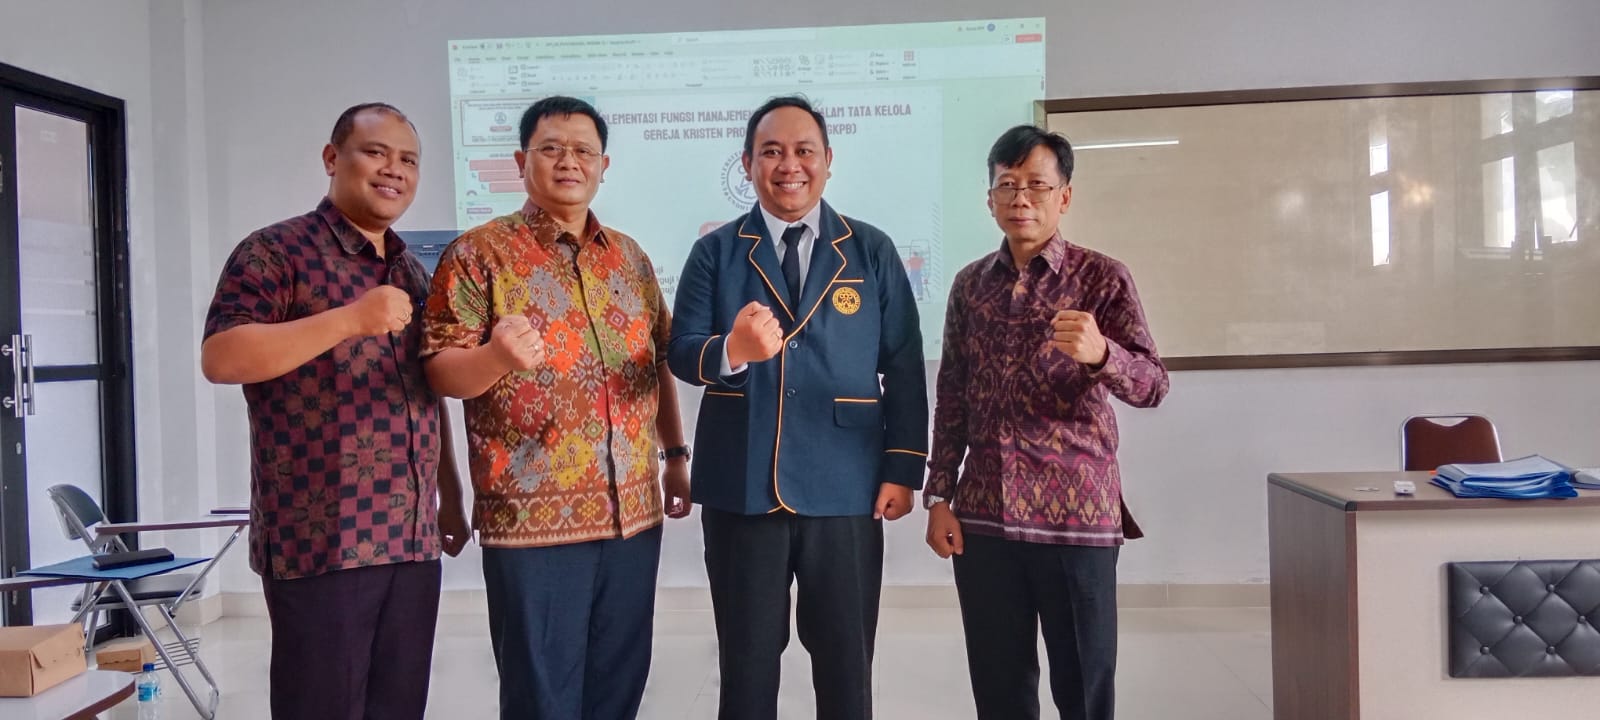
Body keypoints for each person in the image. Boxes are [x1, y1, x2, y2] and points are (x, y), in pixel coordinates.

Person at [421, 96, 690, 720]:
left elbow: (655, 363)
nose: (569, 162)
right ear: (522, 161)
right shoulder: (478, 254)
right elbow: (440, 371)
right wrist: (495, 357)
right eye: (551, 149)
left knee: (619, 687)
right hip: (530, 522)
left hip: (632, 516)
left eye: (583, 151)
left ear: (603, 166)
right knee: (541, 697)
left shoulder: (630, 258)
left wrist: (676, 456)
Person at [201, 102, 469, 720]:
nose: (394, 170)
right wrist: (349, 319)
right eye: (376, 153)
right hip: (323, 541)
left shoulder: (410, 270)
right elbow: (222, 356)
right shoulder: (276, 251)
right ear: (332, 158)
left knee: (399, 707)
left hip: (410, 537)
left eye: (409, 160)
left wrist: (450, 495)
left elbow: (425, 391)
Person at [667, 95, 928, 720]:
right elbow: (681, 351)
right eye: (771, 151)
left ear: (828, 160)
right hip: (741, 486)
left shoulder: (870, 249)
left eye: (804, 150)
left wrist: (902, 467)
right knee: (746, 666)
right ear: (747, 163)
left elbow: (904, 364)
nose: (789, 165)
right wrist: (731, 350)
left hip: (846, 487)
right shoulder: (715, 251)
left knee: (846, 665)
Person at [923, 125, 1170, 720]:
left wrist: (1103, 355)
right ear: (989, 199)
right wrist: (938, 495)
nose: (1021, 199)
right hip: (985, 517)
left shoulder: (1102, 278)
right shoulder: (969, 286)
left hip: (1076, 518)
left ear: (1065, 196)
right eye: (1007, 185)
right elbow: (952, 394)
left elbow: (1153, 385)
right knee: (999, 686)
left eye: (1037, 184)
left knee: (1084, 686)